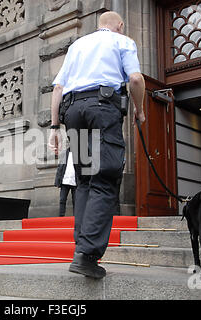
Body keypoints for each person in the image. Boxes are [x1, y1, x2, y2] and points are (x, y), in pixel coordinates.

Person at [48, 11, 146, 279]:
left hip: (73, 112)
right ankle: (87, 255)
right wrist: (140, 110)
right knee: (104, 177)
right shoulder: (122, 41)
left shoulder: (78, 45)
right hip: (102, 109)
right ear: (120, 25)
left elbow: (57, 88)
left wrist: (54, 128)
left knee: (85, 182)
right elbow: (136, 79)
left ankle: (81, 249)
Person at [55, 148, 76, 217]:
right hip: (65, 181)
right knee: (62, 200)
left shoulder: (79, 154)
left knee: (76, 201)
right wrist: (57, 180)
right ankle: (61, 216)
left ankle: (76, 217)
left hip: (75, 181)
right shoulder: (64, 153)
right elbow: (59, 167)